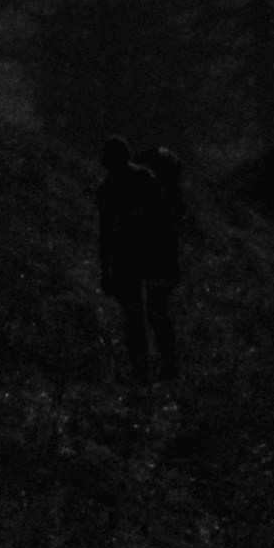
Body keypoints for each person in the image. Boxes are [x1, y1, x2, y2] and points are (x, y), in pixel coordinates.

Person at [96, 136, 190, 390]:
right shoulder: (141, 179)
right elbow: (165, 221)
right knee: (151, 315)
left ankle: (148, 373)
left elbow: (106, 234)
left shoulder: (112, 187)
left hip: (135, 258)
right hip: (148, 257)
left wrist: (106, 271)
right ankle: (162, 371)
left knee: (141, 317)